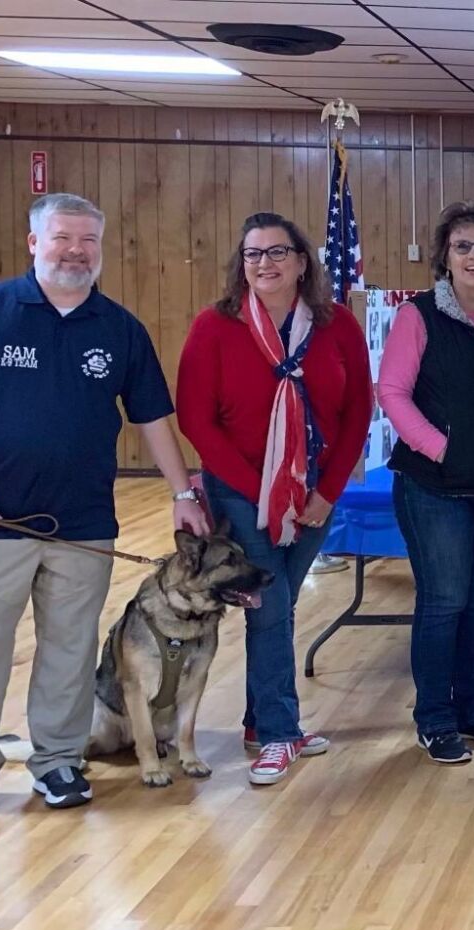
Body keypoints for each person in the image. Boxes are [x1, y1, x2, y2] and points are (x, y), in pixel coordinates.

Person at [0, 193, 209, 827]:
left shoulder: (119, 328)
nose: (76, 251)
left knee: (70, 650)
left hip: (84, 523)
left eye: (88, 241)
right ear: (33, 243)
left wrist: (183, 492)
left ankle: (56, 760)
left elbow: (154, 417)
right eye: (62, 238)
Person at [176, 211, 372, 785]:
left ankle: (261, 721)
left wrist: (324, 491)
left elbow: (359, 408)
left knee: (278, 607)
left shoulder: (337, 327)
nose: (264, 263)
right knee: (269, 603)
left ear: (302, 261)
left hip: (313, 494)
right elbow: (196, 417)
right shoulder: (215, 326)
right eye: (253, 254)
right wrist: (260, 492)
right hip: (241, 494)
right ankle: (281, 733)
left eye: (277, 252)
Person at [381, 201, 474, 766]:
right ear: (445, 255)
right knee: (443, 602)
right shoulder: (417, 316)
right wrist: (442, 448)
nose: (473, 255)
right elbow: (392, 393)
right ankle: (435, 718)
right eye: (463, 246)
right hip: (434, 484)